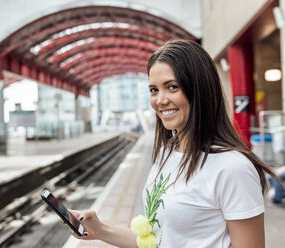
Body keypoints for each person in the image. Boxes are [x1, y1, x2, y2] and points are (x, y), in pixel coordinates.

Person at [64, 40, 276, 248]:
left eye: (172, 87)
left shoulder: (232, 168)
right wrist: (101, 231)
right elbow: (160, 240)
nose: (160, 100)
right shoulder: (168, 154)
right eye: (154, 90)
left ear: (200, 90)